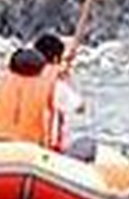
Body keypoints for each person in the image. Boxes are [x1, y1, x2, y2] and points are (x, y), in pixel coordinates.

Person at [0, 45, 57, 147]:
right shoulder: (46, 89)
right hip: (27, 146)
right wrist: (50, 146)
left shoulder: (1, 85)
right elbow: (49, 122)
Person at [34, 30, 96, 161]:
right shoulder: (57, 86)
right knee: (88, 144)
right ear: (56, 59)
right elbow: (81, 108)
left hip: (15, 148)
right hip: (47, 154)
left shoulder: (14, 81)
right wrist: (67, 81)